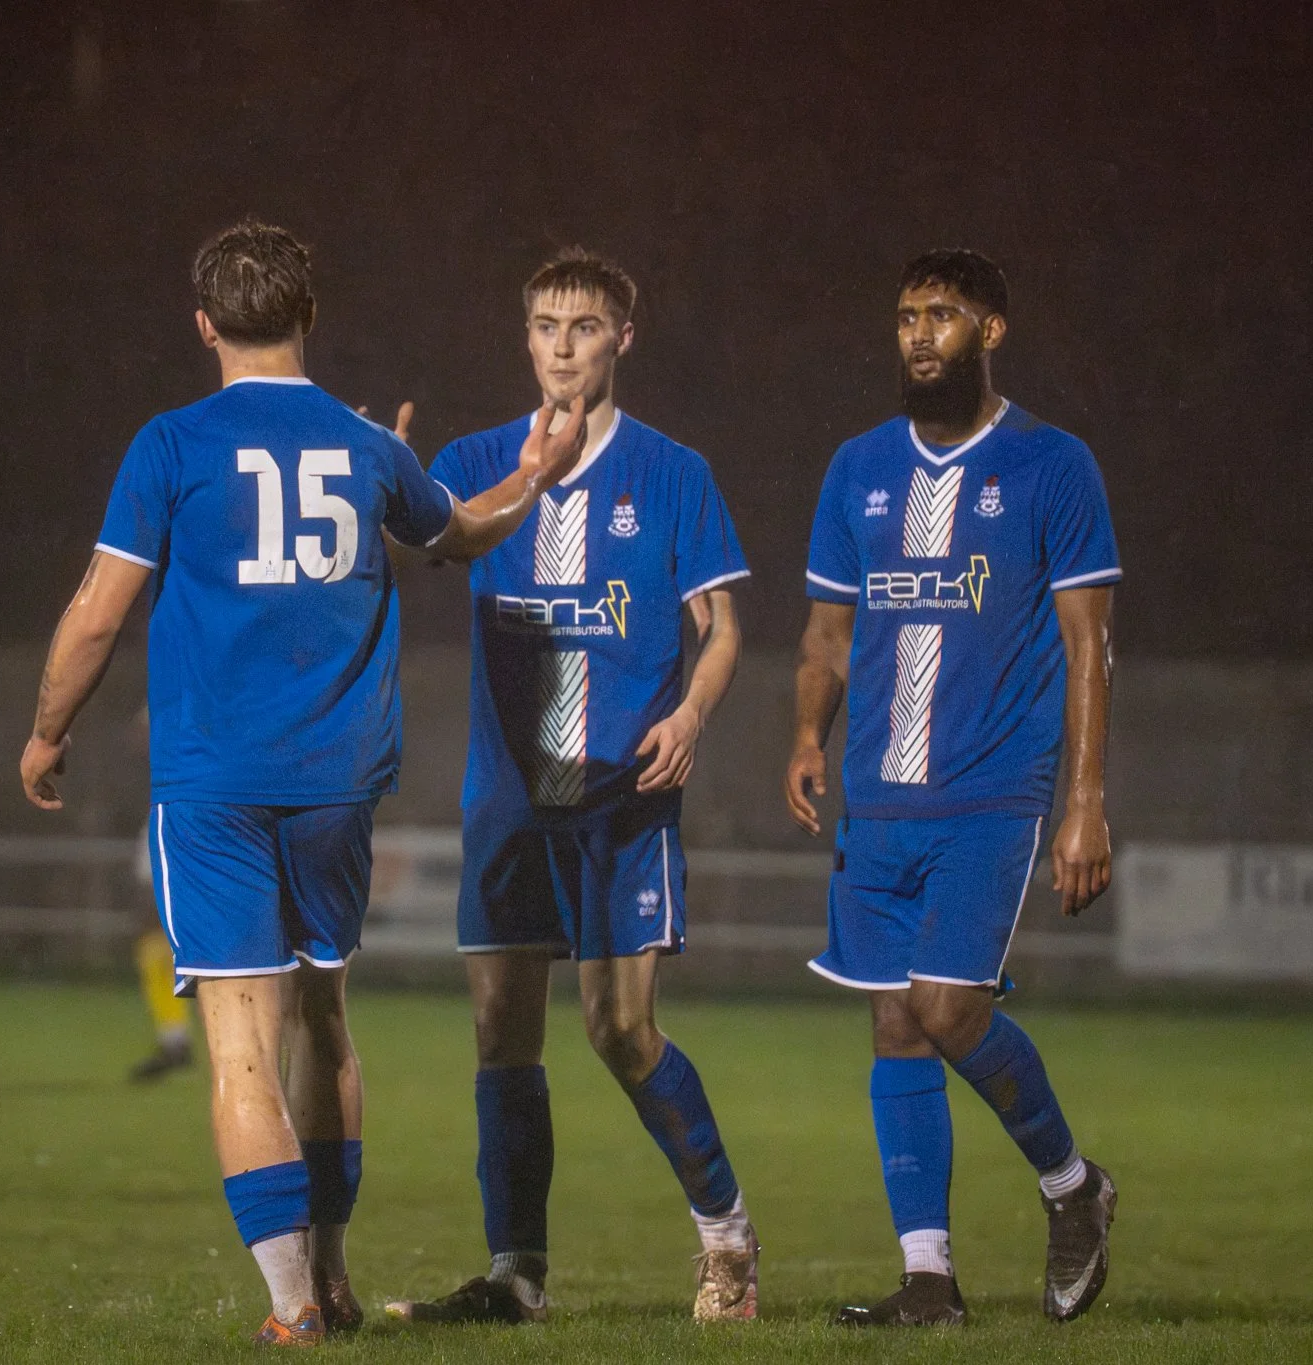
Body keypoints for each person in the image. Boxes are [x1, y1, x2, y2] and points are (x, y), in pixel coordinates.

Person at [18, 219, 586, 1347]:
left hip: (218, 783)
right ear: (308, 317)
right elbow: (463, 536)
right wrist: (532, 475)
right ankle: (331, 1271)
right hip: (336, 783)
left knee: (239, 1037)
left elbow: (97, 611)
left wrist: (44, 732)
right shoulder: (368, 449)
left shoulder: (171, 445)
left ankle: (291, 1309)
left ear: (203, 325)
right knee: (323, 1020)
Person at [388, 249, 758, 1327]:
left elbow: (724, 627)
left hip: (617, 793)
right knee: (501, 1031)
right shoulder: (476, 459)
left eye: (583, 325)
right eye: (544, 323)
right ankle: (517, 1276)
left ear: (620, 338)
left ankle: (726, 1239)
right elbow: (420, 544)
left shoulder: (671, 473)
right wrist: (386, 482)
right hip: (510, 793)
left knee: (617, 1030)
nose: (559, 343)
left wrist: (688, 711)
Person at [785, 250, 1121, 1327]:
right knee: (892, 1022)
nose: (919, 333)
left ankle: (1073, 1189)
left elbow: (1087, 646)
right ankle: (927, 1280)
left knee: (943, 1008)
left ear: (990, 329)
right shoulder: (857, 469)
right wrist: (805, 734)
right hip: (878, 794)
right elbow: (827, 636)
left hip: (990, 791)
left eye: (941, 314)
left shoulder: (1049, 466)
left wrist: (1083, 801)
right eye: (904, 317)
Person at [126, 706, 195, 1081]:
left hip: (189, 822)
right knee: (154, 940)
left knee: (158, 939)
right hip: (176, 818)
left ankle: (179, 1041)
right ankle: (175, 1040)